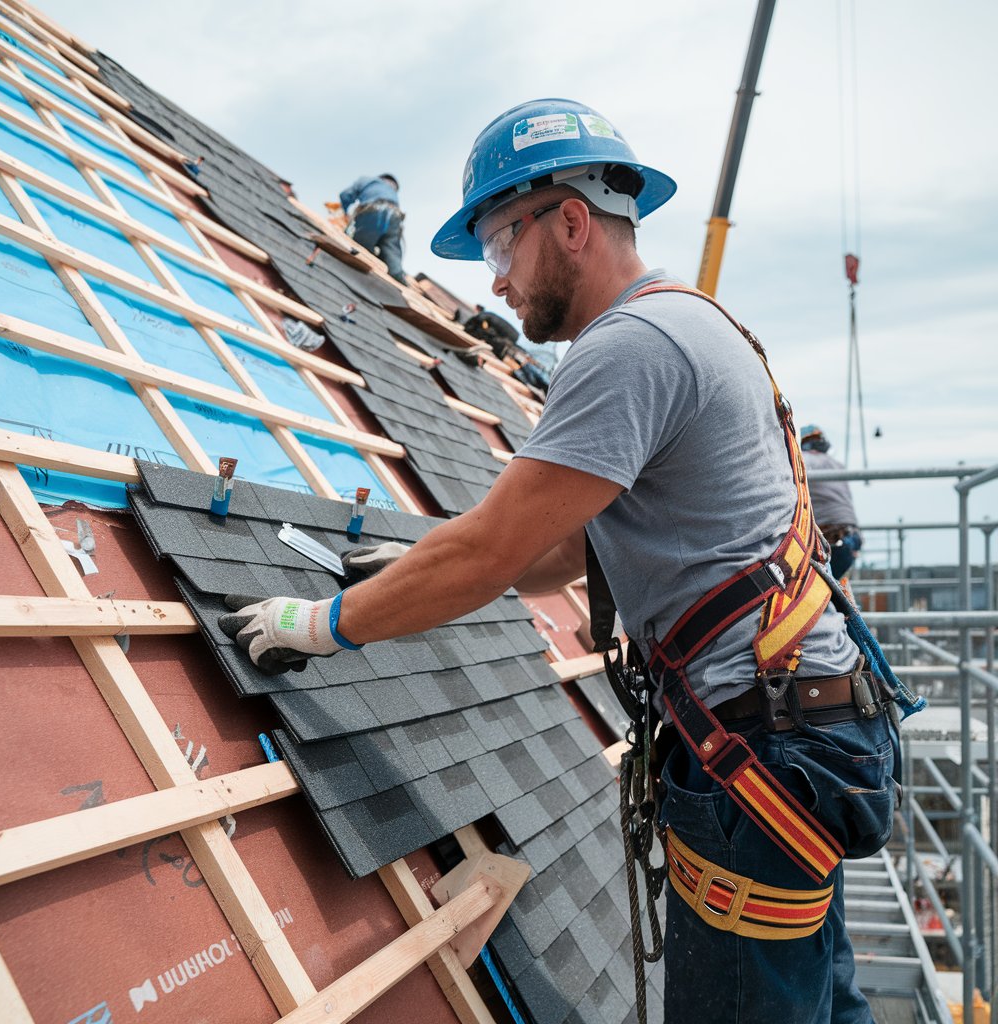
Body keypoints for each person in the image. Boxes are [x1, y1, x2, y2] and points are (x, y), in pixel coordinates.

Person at [222, 100, 905, 1023]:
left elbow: (492, 550)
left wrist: (318, 625)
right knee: (821, 1000)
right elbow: (553, 552)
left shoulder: (628, 348)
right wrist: (425, 556)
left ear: (571, 223)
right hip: (801, 730)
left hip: (764, 754)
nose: (495, 285)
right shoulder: (693, 324)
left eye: (500, 247)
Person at [801, 424, 863, 579]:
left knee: (814, 593)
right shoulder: (838, 466)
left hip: (828, 538)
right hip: (852, 537)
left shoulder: (802, 460)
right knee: (831, 590)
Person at [338, 173, 406, 284]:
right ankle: (398, 278)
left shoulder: (367, 180)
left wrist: (345, 213)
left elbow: (345, 195)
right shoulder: (392, 192)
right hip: (395, 216)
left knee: (358, 248)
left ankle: (355, 275)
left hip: (373, 210)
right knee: (392, 254)